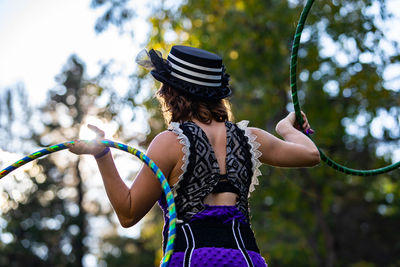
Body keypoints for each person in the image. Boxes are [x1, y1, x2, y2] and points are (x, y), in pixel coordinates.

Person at [68, 45, 320, 267]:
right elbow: (311, 154)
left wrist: (102, 154)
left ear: (171, 93)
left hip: (192, 258)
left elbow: (128, 213)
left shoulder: (169, 143)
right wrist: (285, 128)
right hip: (246, 259)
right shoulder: (252, 138)